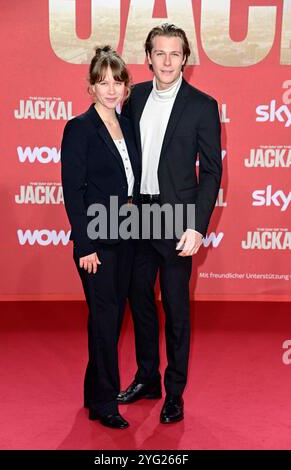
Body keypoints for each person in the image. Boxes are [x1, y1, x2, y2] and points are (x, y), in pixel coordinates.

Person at [118, 24, 222, 424]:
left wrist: (197, 225)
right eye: (159, 53)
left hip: (178, 219)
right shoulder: (136, 96)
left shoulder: (202, 105)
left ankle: (174, 392)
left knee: (176, 308)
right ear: (148, 58)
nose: (166, 61)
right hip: (137, 214)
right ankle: (148, 377)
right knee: (139, 299)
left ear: (185, 59)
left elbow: (211, 172)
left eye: (174, 54)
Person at [61, 46, 140, 429]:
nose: (111, 89)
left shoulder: (128, 126)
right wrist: (85, 244)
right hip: (96, 240)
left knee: (109, 320)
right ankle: (106, 401)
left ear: (126, 86)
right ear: (90, 87)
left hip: (127, 235)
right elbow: (73, 190)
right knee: (106, 320)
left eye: (117, 81)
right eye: (102, 82)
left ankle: (94, 395)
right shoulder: (78, 127)